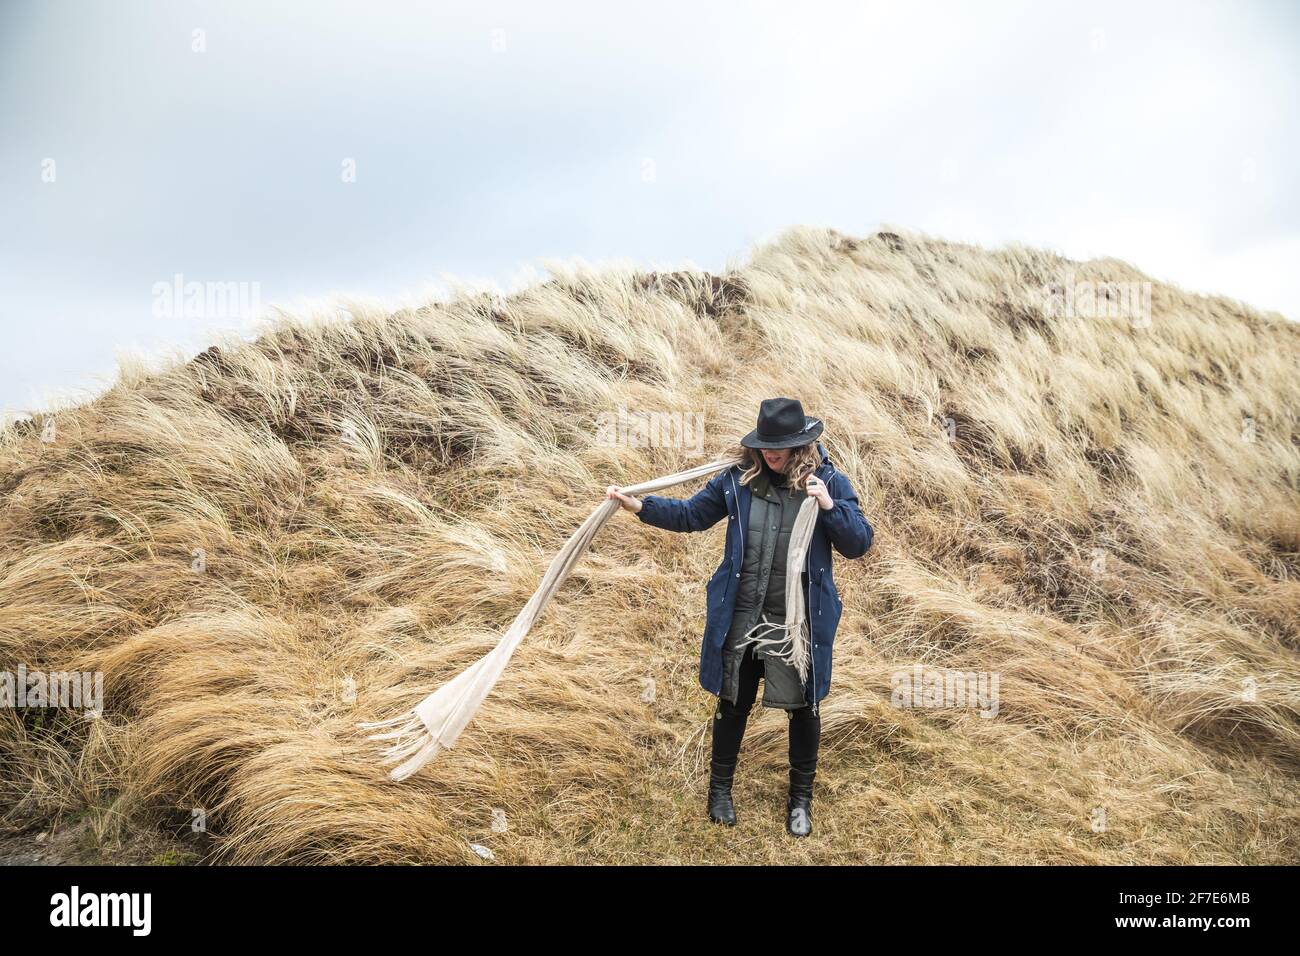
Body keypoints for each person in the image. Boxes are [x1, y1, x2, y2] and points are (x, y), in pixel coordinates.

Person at [606, 397, 873, 837]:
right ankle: (720, 790)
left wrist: (830, 506)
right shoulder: (738, 481)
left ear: (801, 444)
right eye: (767, 443)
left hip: (797, 621)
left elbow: (859, 543)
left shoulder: (828, 482)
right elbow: (692, 515)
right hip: (743, 614)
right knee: (733, 703)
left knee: (804, 710)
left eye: (781, 445)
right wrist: (640, 507)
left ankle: (800, 802)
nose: (772, 453)